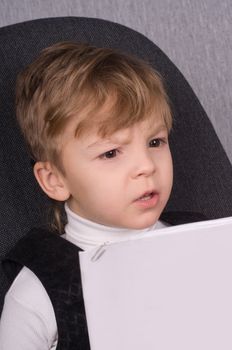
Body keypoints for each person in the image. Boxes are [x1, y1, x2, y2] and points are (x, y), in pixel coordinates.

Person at [0, 41, 173, 349]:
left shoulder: (207, 243)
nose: (146, 166)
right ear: (54, 179)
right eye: (110, 153)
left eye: (155, 142)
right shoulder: (38, 293)